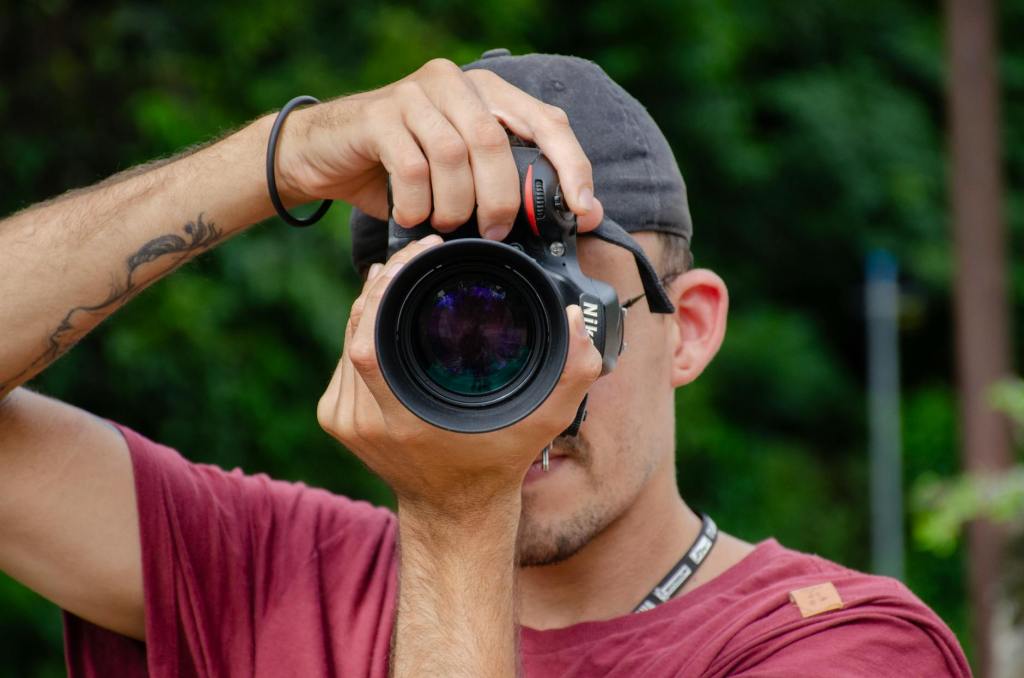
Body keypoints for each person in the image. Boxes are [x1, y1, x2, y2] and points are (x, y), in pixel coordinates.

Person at [0, 50, 970, 677]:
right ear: (376, 327)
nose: (517, 376)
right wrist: (280, 156)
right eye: (456, 318)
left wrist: (456, 516)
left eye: (556, 306)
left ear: (689, 328)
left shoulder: (835, 646)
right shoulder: (274, 575)